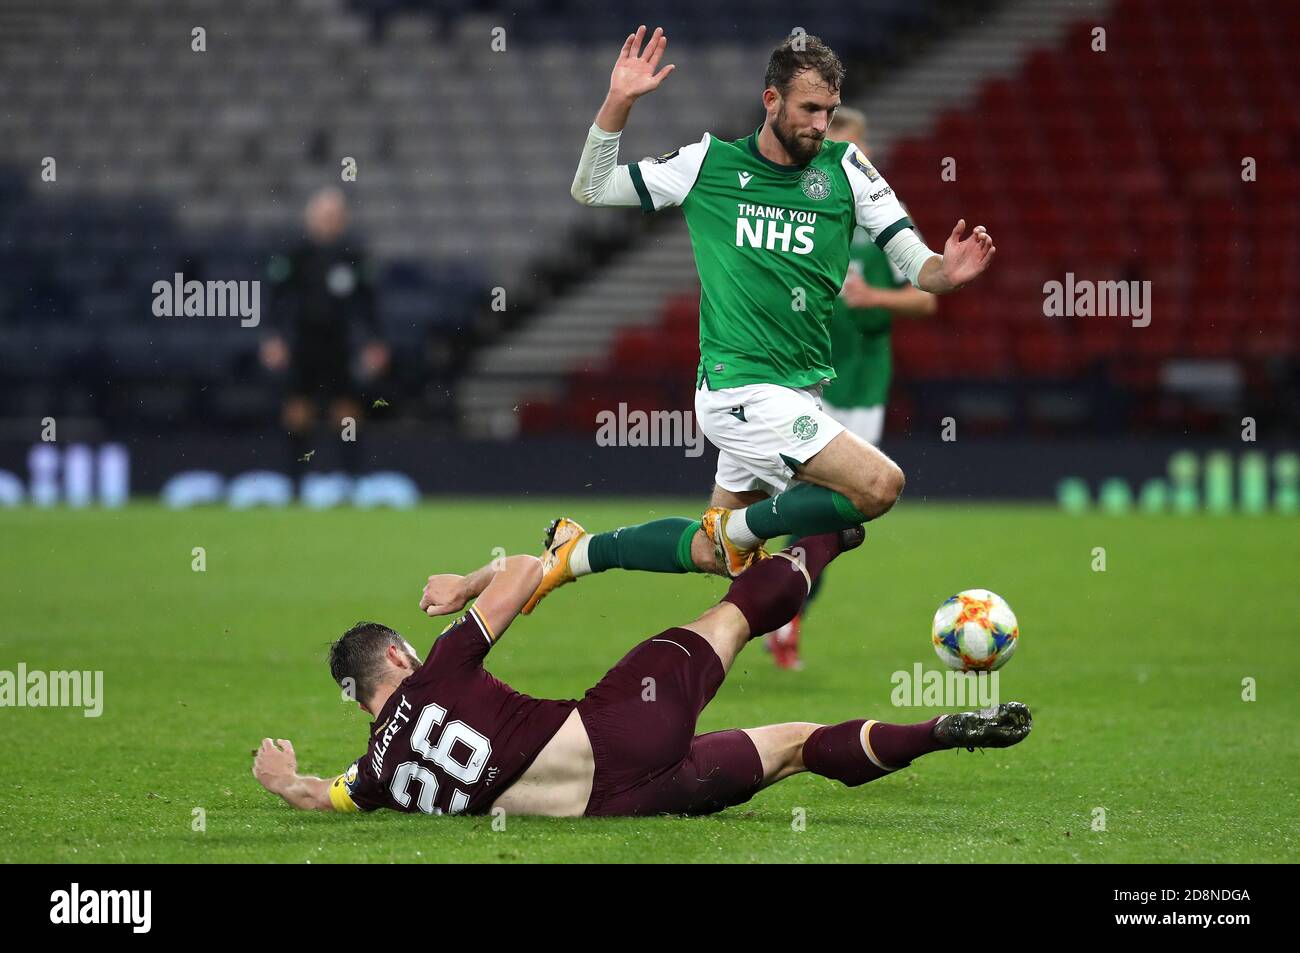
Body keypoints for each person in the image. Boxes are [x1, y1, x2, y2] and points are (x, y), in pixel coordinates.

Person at [524, 27, 995, 615]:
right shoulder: (707, 164)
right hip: (738, 387)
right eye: (809, 109)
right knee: (880, 485)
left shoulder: (847, 169)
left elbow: (914, 262)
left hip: (802, 391)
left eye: (829, 110)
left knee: (711, 551)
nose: (821, 124)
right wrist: (619, 100)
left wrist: (946, 272)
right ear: (770, 101)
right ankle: (742, 532)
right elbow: (591, 188)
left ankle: (578, 552)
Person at [251, 528, 1032, 817]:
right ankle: (828, 533)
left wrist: (286, 780)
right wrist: (462, 584)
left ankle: (941, 731)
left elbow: (326, 794)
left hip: (633, 803)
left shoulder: (378, 774)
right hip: (617, 727)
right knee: (730, 618)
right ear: (397, 655)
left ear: (360, 698)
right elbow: (526, 568)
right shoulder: (437, 669)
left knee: (795, 746)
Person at [766, 106, 939, 669]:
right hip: (799, 379)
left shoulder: (880, 219)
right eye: (833, 133)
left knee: (835, 519)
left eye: (852, 140)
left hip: (861, 384)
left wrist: (875, 299)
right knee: (789, 507)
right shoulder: (800, 209)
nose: (841, 146)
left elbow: (927, 295)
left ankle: (785, 609)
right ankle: (773, 606)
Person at [259, 187, 389, 475]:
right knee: (297, 409)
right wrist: (273, 337)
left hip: (340, 343)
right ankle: (295, 479)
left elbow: (369, 303)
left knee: (347, 411)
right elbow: (276, 299)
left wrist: (375, 342)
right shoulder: (295, 254)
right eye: (323, 214)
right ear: (311, 217)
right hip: (302, 342)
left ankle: (352, 476)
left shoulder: (354, 256)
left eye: (334, 215)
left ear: (344, 218)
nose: (329, 220)